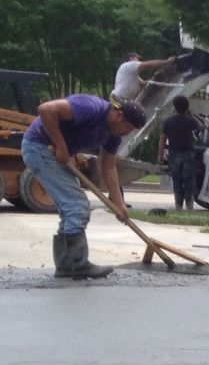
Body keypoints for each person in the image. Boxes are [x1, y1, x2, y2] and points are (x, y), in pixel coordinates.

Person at [21, 94, 147, 279]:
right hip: (40, 147)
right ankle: (77, 264)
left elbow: (109, 166)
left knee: (70, 209)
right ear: (119, 116)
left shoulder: (113, 134)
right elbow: (46, 109)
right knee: (77, 206)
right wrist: (61, 146)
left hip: (51, 152)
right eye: (127, 128)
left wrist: (119, 203)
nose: (126, 133)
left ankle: (66, 266)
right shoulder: (91, 107)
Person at [159, 95, 206, 211]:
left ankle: (178, 206)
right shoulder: (190, 120)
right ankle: (189, 206)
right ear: (187, 107)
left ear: (175, 107)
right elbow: (201, 127)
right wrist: (190, 115)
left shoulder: (168, 121)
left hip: (174, 154)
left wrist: (160, 155)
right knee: (188, 180)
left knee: (177, 180)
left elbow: (162, 140)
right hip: (188, 154)